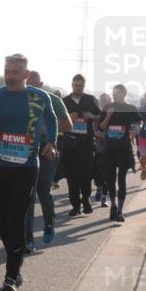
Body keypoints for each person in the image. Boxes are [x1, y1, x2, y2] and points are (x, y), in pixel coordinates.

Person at [0, 54, 57, 291]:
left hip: (27, 166)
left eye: (15, 72)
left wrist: (51, 143)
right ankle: (15, 265)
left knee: (17, 218)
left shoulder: (39, 97)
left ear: (26, 74)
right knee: (3, 221)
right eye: (7, 71)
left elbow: (52, 120)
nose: (10, 76)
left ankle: (10, 276)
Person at [25, 70, 72, 251]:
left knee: (43, 191)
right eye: (27, 84)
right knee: (27, 196)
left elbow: (68, 124)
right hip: (24, 151)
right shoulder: (18, 99)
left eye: (34, 85)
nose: (30, 88)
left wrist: (43, 129)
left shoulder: (52, 99)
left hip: (47, 151)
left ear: (41, 85)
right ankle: (28, 239)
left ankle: (49, 224)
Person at [60, 74, 101, 216]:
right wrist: (69, 118)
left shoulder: (90, 99)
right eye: (76, 85)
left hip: (86, 143)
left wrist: (91, 116)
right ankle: (75, 205)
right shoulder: (64, 101)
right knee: (71, 175)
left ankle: (86, 200)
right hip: (70, 142)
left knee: (85, 173)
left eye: (81, 86)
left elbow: (101, 116)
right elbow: (58, 121)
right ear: (72, 85)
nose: (79, 88)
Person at [99, 84, 140, 222]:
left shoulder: (130, 108)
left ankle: (120, 211)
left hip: (124, 148)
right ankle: (113, 206)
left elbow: (139, 121)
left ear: (123, 93)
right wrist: (108, 116)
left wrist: (135, 130)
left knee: (121, 180)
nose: (114, 94)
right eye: (113, 92)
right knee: (110, 179)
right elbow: (101, 127)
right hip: (110, 149)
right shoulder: (107, 107)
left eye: (117, 92)